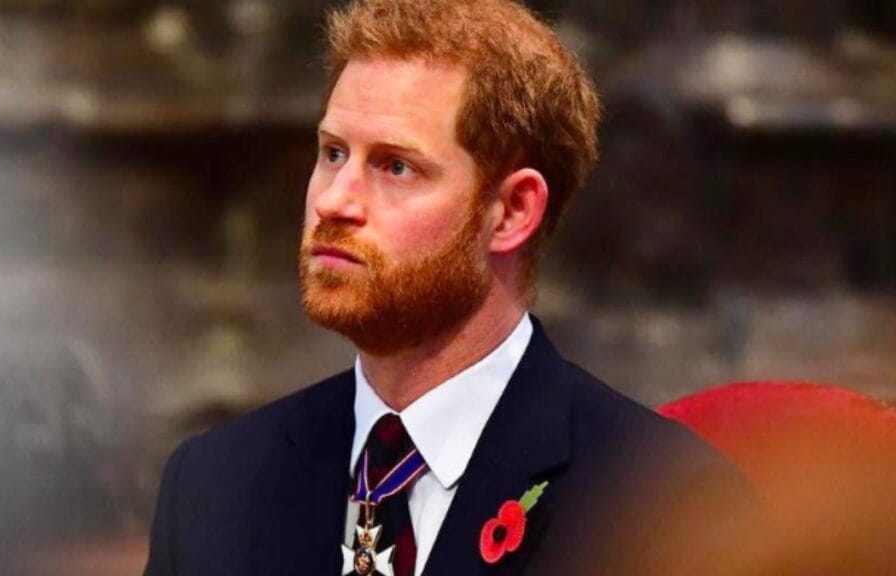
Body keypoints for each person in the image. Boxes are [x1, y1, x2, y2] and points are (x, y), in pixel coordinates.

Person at [143, 1, 751, 575]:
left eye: (395, 166)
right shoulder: (211, 486)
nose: (333, 201)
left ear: (512, 211)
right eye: (332, 153)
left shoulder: (665, 505)